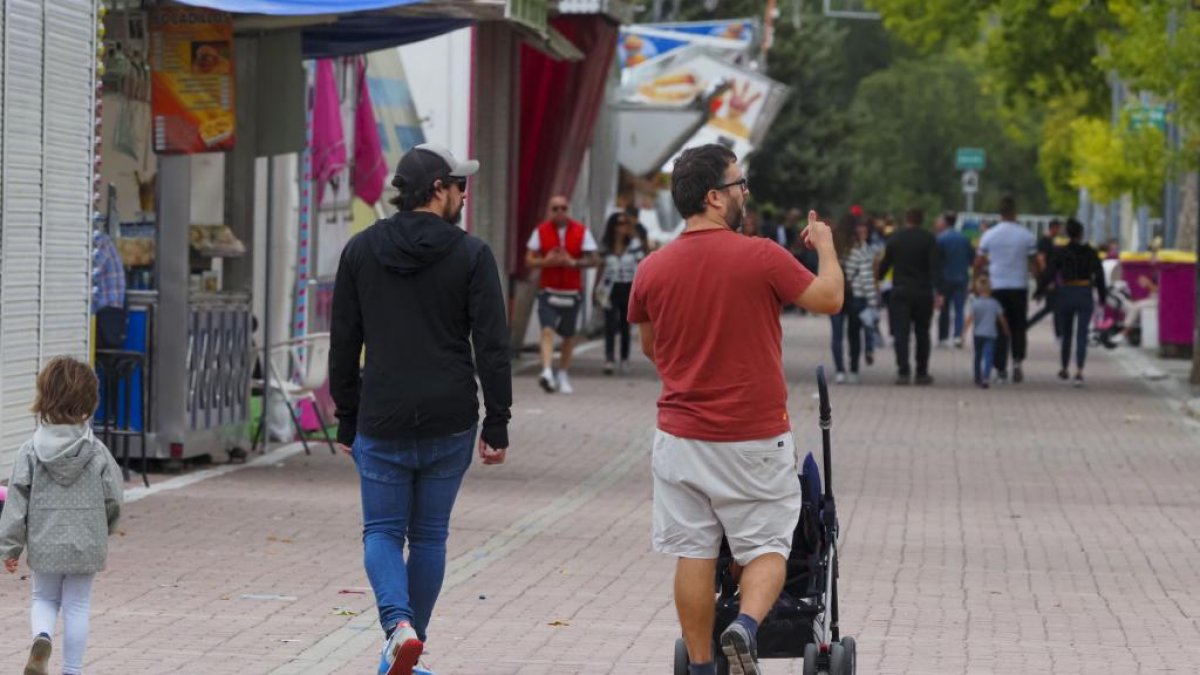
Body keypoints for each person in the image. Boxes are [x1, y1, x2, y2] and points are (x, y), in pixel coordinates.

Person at [628, 144, 843, 675]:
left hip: (679, 437)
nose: (745, 192)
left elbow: (652, 347)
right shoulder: (761, 255)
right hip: (753, 436)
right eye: (739, 183)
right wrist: (825, 246)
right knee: (768, 544)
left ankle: (702, 666)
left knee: (695, 551)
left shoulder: (651, 269)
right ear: (714, 197)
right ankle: (745, 626)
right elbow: (829, 298)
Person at [329, 143, 512, 675]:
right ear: (437, 190)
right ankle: (410, 644)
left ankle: (398, 631)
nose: (464, 195)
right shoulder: (471, 254)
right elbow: (492, 345)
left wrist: (346, 416)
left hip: (382, 412)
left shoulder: (361, 250)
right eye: (460, 185)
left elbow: (345, 341)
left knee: (383, 532)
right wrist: (497, 421)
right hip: (450, 416)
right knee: (430, 535)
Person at [0, 356, 124, 675]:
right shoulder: (97, 451)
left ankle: (42, 637)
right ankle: (72, 670)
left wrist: (10, 548)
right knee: (77, 605)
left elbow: (16, 501)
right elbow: (113, 496)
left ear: (45, 396)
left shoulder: (30, 450)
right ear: (88, 401)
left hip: (45, 540)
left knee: (43, 597)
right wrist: (107, 526)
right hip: (87, 540)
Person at [526, 196, 600, 394]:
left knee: (568, 336)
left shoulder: (581, 231)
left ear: (569, 209)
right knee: (547, 330)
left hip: (571, 292)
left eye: (563, 208)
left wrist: (573, 262)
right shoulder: (541, 231)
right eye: (555, 208)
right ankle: (547, 371)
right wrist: (546, 262)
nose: (559, 212)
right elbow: (529, 260)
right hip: (548, 291)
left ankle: (563, 373)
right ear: (549, 210)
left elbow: (595, 259)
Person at [974, 196, 1036, 384]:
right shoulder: (1026, 235)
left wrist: (975, 281)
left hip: (997, 286)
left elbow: (979, 261)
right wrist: (1039, 280)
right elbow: (1033, 261)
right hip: (1019, 286)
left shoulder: (990, 235)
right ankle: (1017, 361)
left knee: (999, 328)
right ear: (1015, 213)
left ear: (1000, 214)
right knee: (1018, 327)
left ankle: (1000, 368)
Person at [877, 208, 942, 386]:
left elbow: (885, 264)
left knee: (901, 333)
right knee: (923, 332)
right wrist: (938, 291)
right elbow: (935, 267)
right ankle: (922, 372)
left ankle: (903, 371)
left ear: (906, 219)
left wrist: (879, 277)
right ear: (921, 220)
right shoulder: (929, 239)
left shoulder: (895, 239)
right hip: (923, 291)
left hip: (900, 290)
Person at [1049, 218, 1107, 386]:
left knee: (1066, 334)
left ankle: (1064, 367)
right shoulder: (1090, 252)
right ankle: (1079, 372)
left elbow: (1050, 272)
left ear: (1068, 233)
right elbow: (1100, 276)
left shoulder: (1062, 252)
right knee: (1082, 334)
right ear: (1081, 234)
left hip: (1066, 293)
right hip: (1084, 292)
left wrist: (1040, 290)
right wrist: (1102, 296)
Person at [596, 211, 646, 375]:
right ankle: (609, 358)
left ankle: (624, 358)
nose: (621, 227)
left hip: (628, 286)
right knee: (609, 323)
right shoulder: (606, 245)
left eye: (624, 223)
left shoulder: (634, 244)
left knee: (625, 324)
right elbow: (601, 267)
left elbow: (642, 265)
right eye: (618, 223)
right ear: (612, 226)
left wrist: (642, 289)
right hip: (609, 288)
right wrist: (596, 288)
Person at [829, 214, 863, 383]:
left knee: (837, 334)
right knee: (854, 334)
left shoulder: (833, 244)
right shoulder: (858, 244)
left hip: (836, 292)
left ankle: (840, 370)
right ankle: (854, 369)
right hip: (855, 293)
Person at [844, 217, 881, 370]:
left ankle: (855, 365)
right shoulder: (863, 250)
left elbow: (851, 273)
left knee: (856, 332)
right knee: (866, 327)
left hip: (860, 296)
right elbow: (865, 275)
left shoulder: (864, 250)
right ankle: (867, 351)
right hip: (861, 296)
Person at [934, 211, 974, 348]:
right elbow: (971, 258)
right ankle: (958, 336)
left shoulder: (940, 239)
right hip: (961, 277)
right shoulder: (964, 239)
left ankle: (943, 337)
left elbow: (936, 261)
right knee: (959, 308)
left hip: (945, 278)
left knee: (944, 308)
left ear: (945, 222)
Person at [963, 277, 1009, 389]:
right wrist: (1006, 329)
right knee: (989, 355)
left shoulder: (975, 303)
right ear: (990, 289)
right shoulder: (995, 303)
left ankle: (977, 377)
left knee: (978, 356)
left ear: (977, 290)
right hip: (991, 334)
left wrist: (964, 331)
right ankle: (986, 377)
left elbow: (970, 319)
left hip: (978, 334)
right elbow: (1001, 318)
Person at [1027, 218, 1064, 336]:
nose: (1060, 231)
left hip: (1051, 278)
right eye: (1058, 228)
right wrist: (1047, 279)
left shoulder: (1050, 241)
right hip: (1049, 279)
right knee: (1054, 306)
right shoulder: (1045, 241)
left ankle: (1059, 332)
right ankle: (1059, 333)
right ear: (1053, 228)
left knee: (1053, 306)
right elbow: (1041, 259)